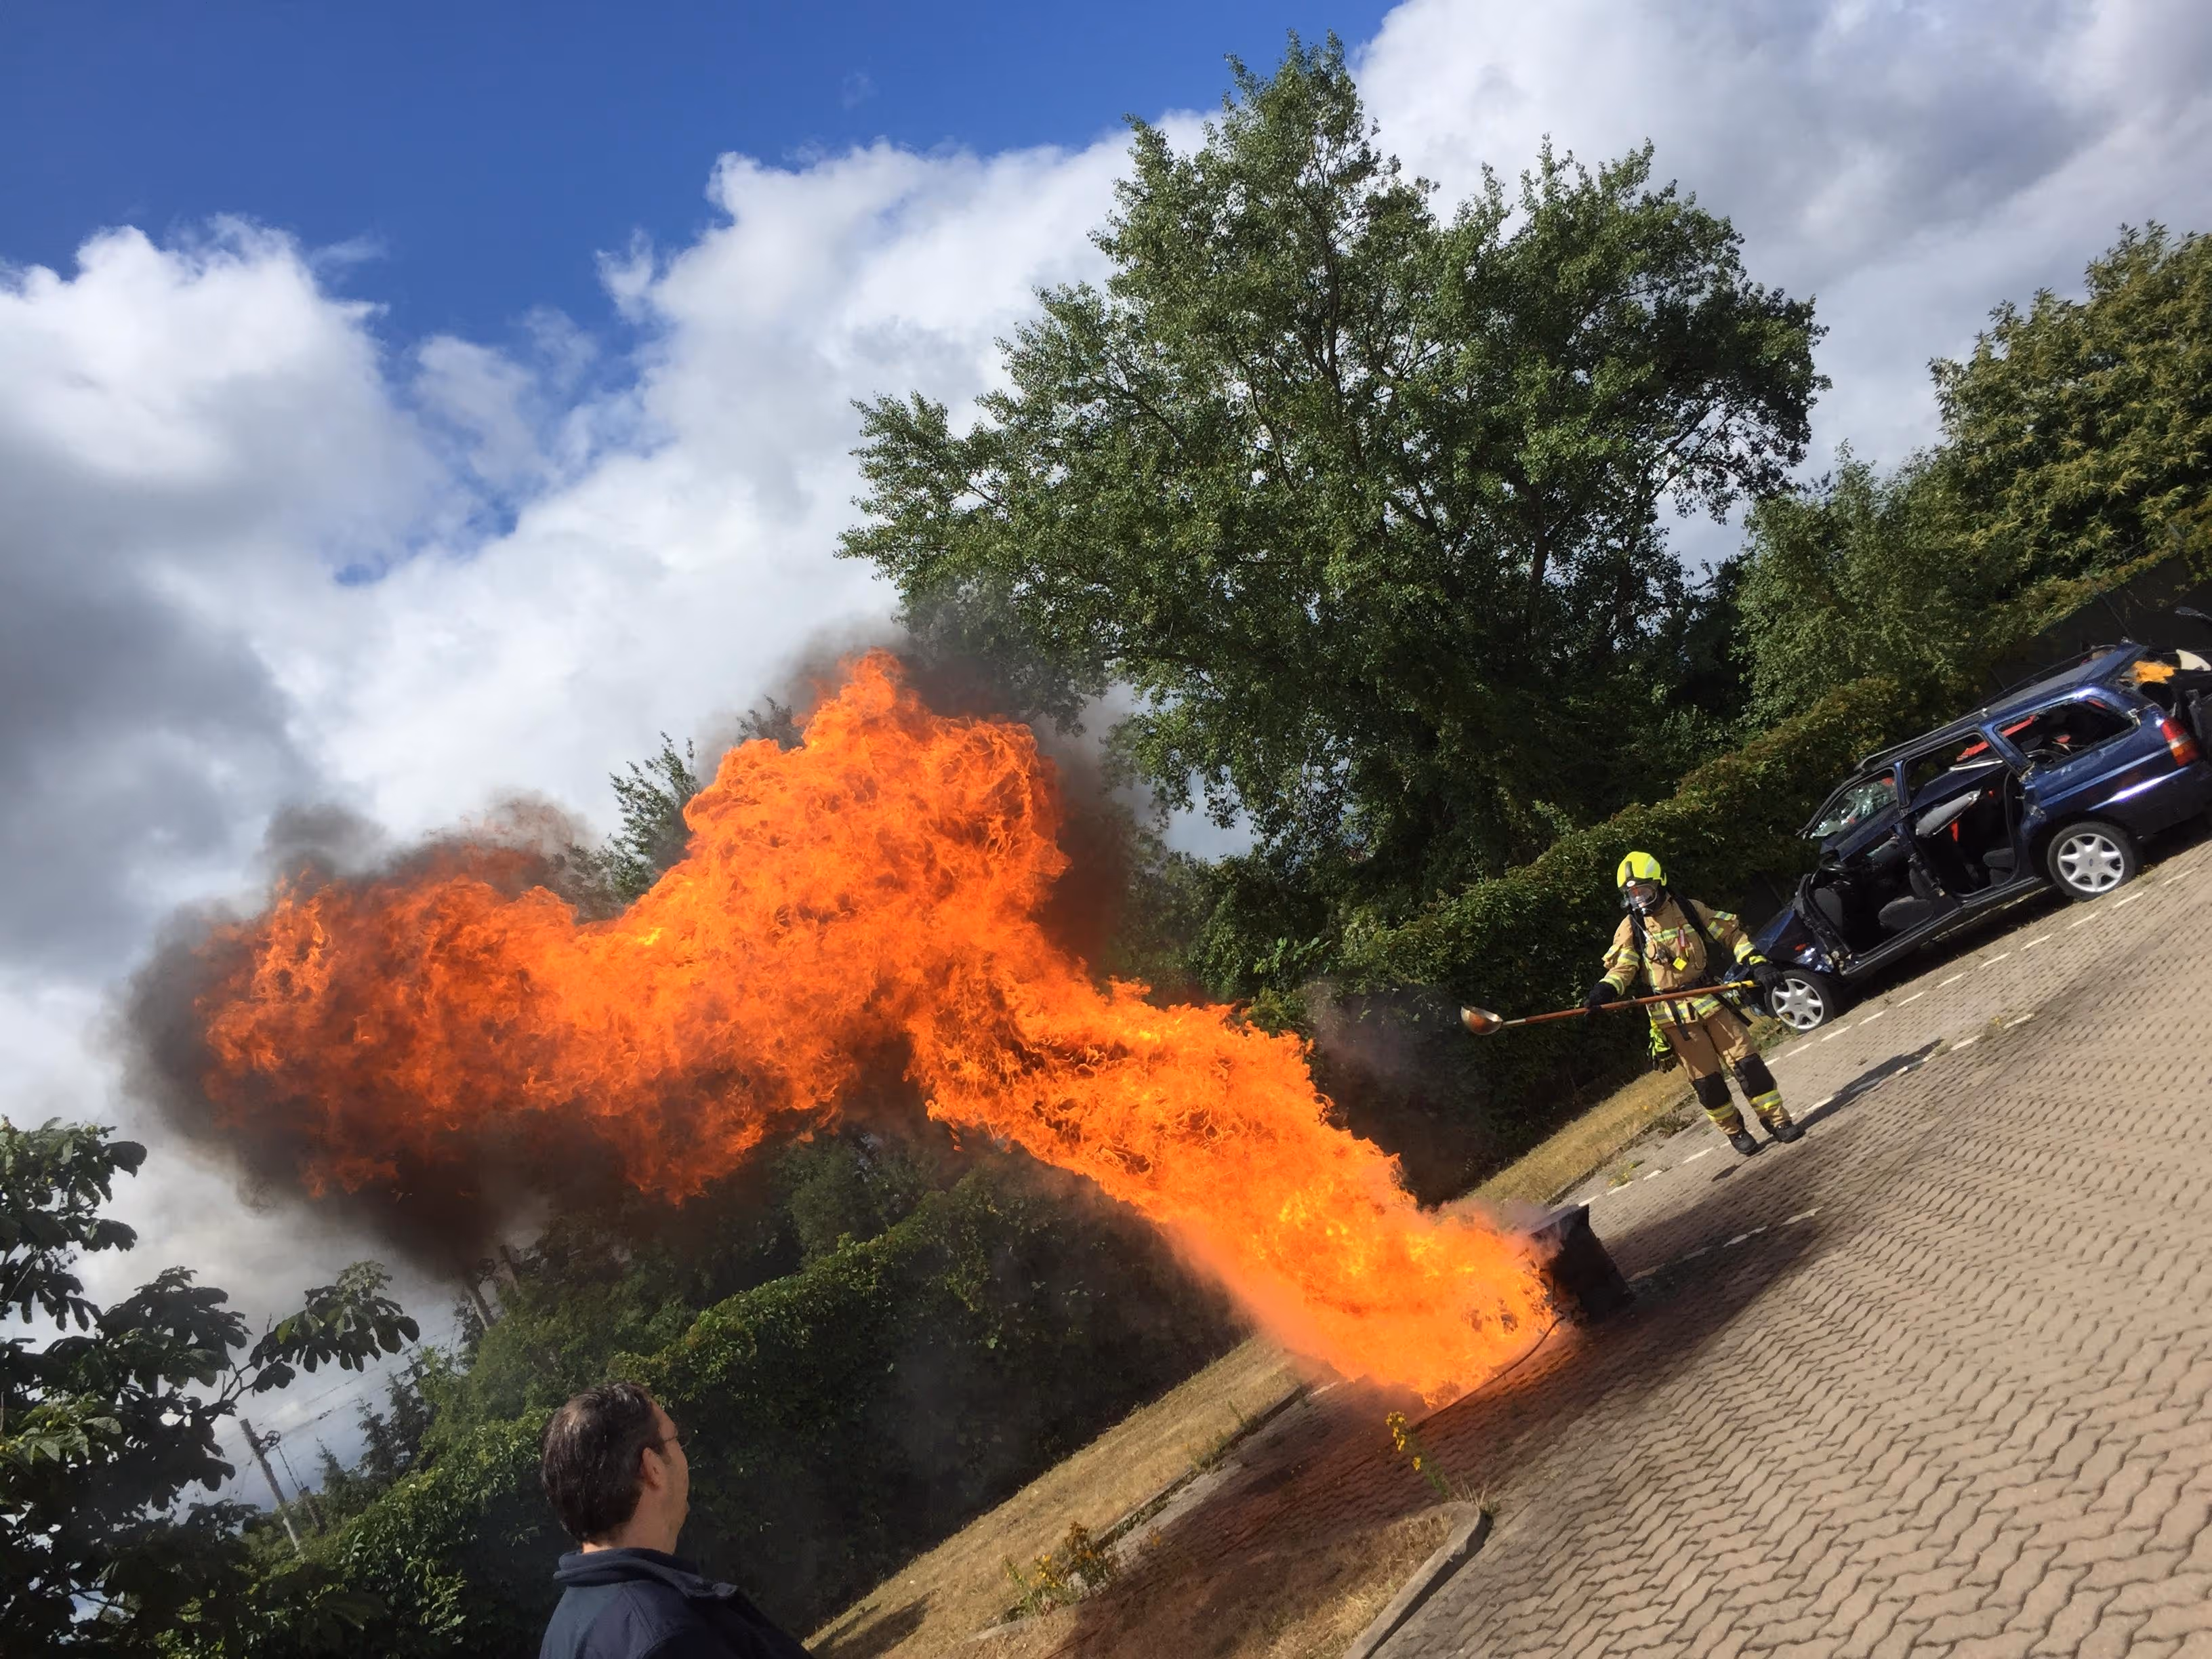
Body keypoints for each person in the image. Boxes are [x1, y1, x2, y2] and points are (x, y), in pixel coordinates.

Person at [538, 1381, 813, 1659]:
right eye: (676, 1439)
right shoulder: (666, 1637)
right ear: (653, 1468)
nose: (684, 1454)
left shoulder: (563, 1633)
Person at [1584, 851, 1803, 1158]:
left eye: (1643, 891)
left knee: (1749, 1064)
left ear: (1659, 884)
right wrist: (1604, 991)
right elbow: (1623, 967)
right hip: (1675, 1018)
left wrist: (1758, 963)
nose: (1639, 901)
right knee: (1708, 1083)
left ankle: (1778, 1122)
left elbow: (1732, 936)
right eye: (1631, 895)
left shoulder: (1689, 909)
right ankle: (1735, 1131)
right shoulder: (1631, 928)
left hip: (1711, 1001)